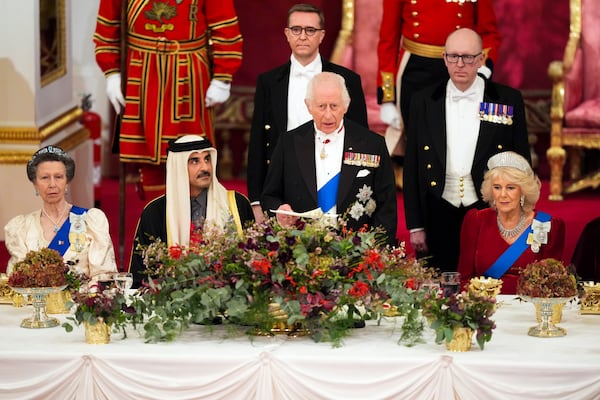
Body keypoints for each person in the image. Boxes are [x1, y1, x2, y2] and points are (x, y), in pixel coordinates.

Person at [403, 28, 530, 272]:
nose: (460, 64)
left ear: (481, 59)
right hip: (438, 207)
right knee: (440, 289)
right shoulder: (423, 100)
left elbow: (522, 162)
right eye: (453, 57)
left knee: (489, 283)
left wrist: (520, 213)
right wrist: (415, 225)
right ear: (444, 58)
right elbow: (413, 167)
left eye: (468, 57)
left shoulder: (507, 99)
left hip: (489, 207)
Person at [93, 0, 243, 198]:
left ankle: (194, 224)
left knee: (193, 155)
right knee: (147, 160)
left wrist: (223, 78)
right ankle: (156, 223)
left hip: (188, 75)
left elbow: (225, 26)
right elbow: (108, 27)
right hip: (141, 73)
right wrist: (111, 73)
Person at [247, 3, 369, 223]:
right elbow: (258, 142)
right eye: (296, 29)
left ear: (322, 35)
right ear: (287, 34)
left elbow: (361, 139)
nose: (302, 36)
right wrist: (256, 201)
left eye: (310, 30)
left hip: (334, 185)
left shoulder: (348, 80)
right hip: (284, 185)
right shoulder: (268, 82)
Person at [261, 72, 397, 245]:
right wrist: (280, 210)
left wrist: (375, 248)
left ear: (346, 106)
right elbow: (269, 196)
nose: (327, 115)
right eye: (321, 106)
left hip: (357, 251)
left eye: (334, 106)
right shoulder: (288, 143)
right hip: (301, 247)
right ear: (308, 106)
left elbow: (387, 206)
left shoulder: (372, 144)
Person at [376, 0, 500, 169]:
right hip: (414, 71)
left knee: (459, 142)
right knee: (419, 148)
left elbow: (489, 33)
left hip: (460, 67)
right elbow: (388, 40)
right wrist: (387, 97)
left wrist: (483, 67)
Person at [130, 135, 254, 288]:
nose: (205, 167)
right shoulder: (155, 212)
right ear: (179, 167)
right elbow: (140, 277)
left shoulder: (236, 204)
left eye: (207, 159)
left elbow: (252, 266)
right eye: (195, 161)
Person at [457, 151, 565, 294]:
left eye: (510, 188)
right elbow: (464, 279)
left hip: (528, 309)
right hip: (486, 307)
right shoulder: (476, 220)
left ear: (523, 191)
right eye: (497, 187)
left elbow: (553, 284)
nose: (502, 195)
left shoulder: (548, 225)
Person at [4, 145, 117, 279]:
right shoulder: (22, 228)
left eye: (58, 177)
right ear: (35, 184)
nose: (52, 184)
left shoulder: (90, 221)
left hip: (81, 298)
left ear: (67, 182)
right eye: (45, 178)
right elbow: (17, 279)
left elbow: (104, 276)